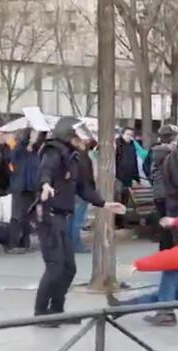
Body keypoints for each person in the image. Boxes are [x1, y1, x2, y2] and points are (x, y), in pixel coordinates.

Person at [35, 117, 125, 325]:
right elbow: (45, 170)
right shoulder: (53, 150)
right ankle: (41, 312)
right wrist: (46, 185)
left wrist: (104, 204)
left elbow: (83, 187)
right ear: (68, 134)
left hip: (63, 215)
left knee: (69, 268)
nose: (81, 138)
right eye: (77, 134)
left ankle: (57, 308)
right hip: (49, 214)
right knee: (55, 266)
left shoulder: (75, 156)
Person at [8, 129, 42, 253]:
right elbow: (13, 160)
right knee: (17, 215)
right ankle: (13, 243)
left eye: (36, 134)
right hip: (20, 186)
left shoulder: (37, 150)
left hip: (32, 186)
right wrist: (27, 145)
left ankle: (25, 242)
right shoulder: (19, 149)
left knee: (28, 215)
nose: (35, 136)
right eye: (33, 133)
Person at [149, 125, 178, 250]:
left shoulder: (154, 152)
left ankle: (164, 248)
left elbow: (149, 172)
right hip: (170, 192)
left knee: (163, 222)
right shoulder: (173, 154)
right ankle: (172, 249)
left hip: (158, 192)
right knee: (172, 223)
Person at [69, 139, 99, 254]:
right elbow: (90, 175)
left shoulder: (74, 155)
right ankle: (76, 245)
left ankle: (70, 244)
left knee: (72, 219)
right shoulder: (83, 157)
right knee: (77, 219)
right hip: (82, 191)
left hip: (75, 190)